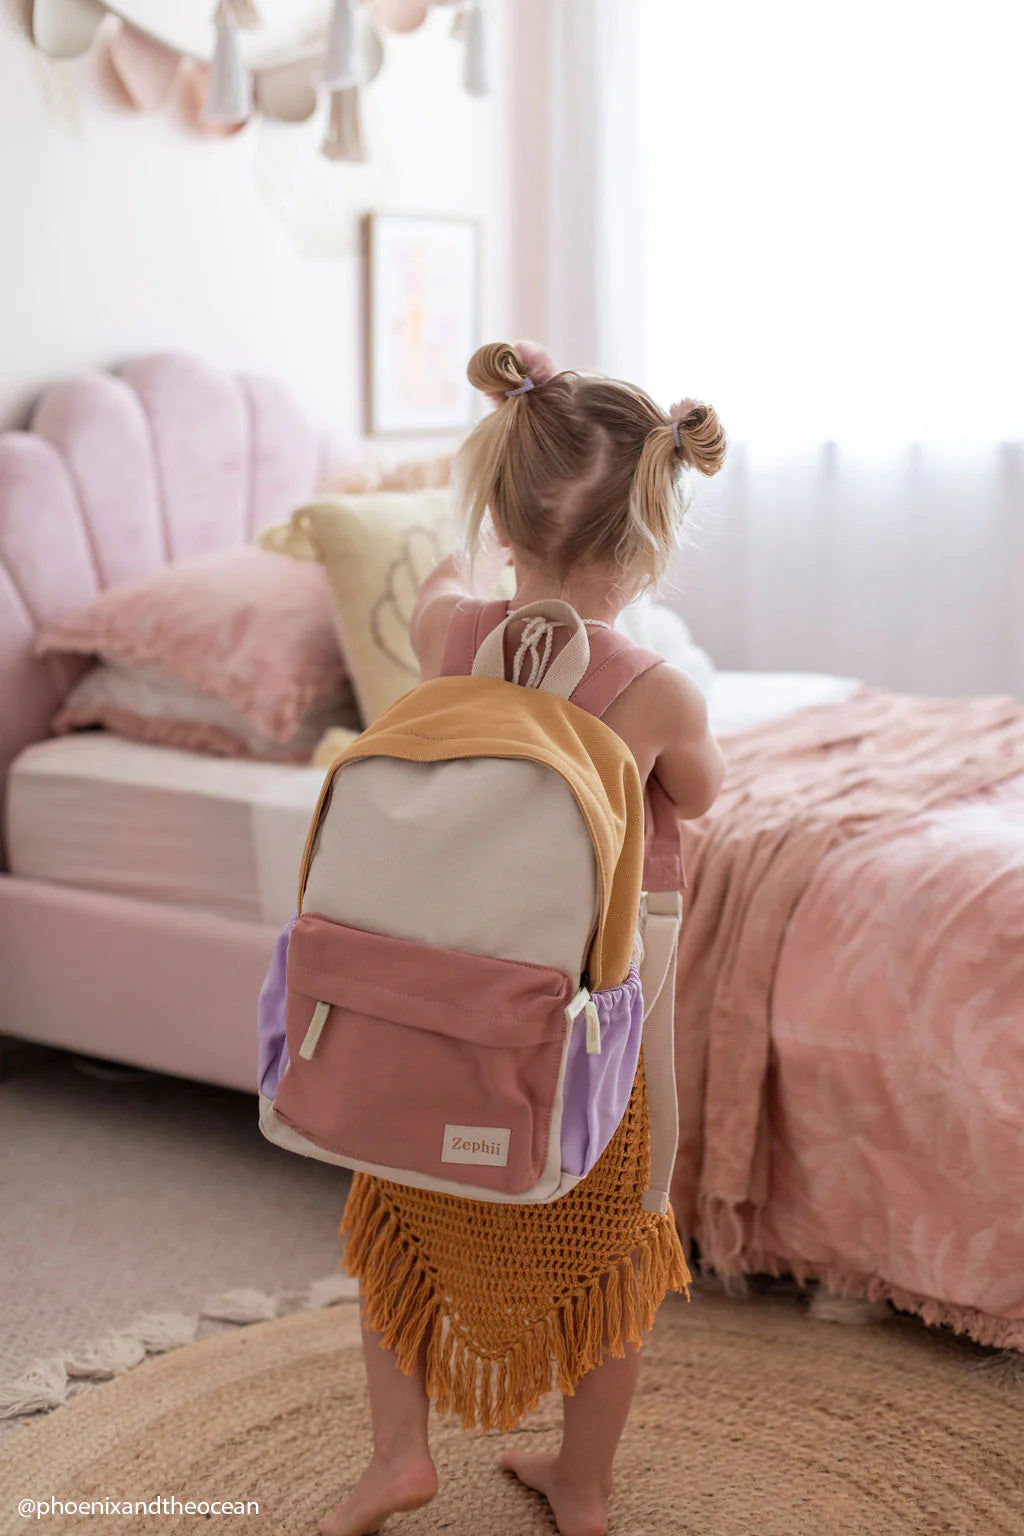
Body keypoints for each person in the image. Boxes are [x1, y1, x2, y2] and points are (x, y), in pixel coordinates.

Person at [321, 340, 727, 1536]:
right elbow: (697, 797)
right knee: (615, 1237)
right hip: (594, 997)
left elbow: (440, 590)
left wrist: (465, 542)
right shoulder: (655, 687)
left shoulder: (449, 634)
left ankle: (399, 1456)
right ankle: (583, 1483)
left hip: (438, 988)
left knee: (400, 1208)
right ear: (647, 535)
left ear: (502, 512)